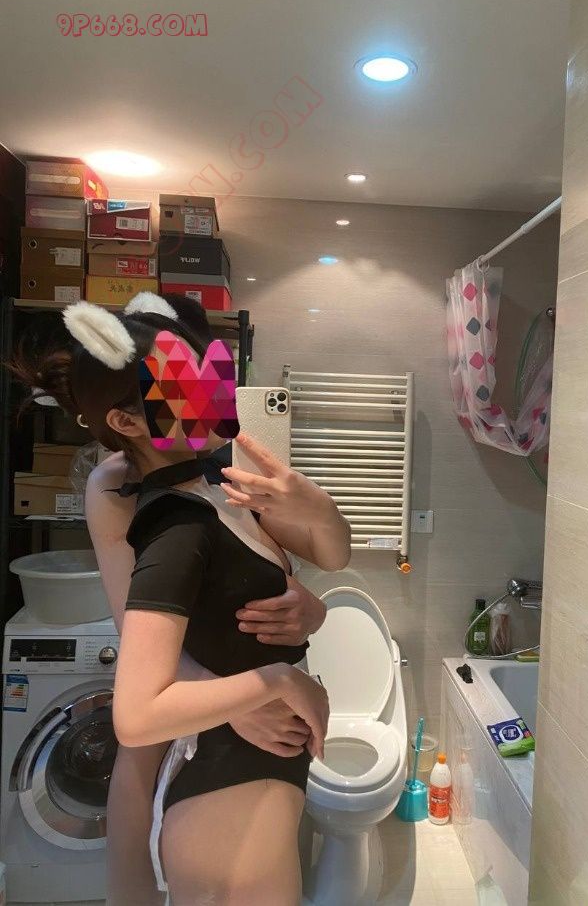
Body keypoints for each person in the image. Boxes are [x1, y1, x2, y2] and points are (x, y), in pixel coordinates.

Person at [10, 294, 351, 905]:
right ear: (126, 419)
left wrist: (315, 585)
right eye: (185, 380)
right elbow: (139, 644)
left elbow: (321, 553)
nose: (212, 395)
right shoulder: (130, 493)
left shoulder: (218, 471)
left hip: (242, 730)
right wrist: (247, 696)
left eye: (207, 371)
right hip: (193, 715)